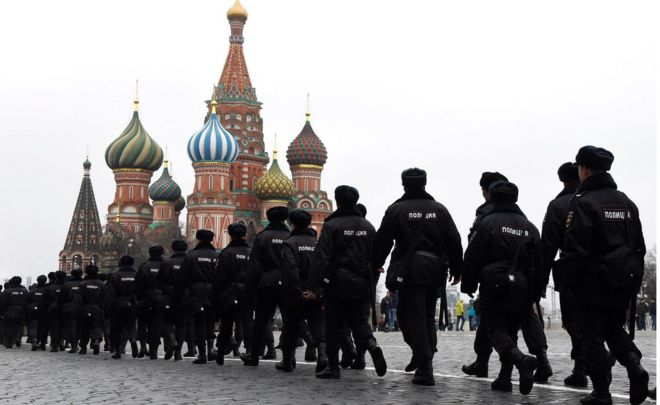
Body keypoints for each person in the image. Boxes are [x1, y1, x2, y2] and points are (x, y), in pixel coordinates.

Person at [559, 146, 649, 405]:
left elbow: (575, 248)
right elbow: (639, 246)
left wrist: (570, 282)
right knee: (613, 328)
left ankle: (601, 391)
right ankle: (634, 367)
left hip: (593, 281)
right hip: (622, 279)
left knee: (592, 335)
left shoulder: (584, 202)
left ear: (584, 169)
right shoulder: (626, 202)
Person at [373, 168, 463, 385]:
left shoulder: (396, 209)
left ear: (404, 185)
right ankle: (424, 354)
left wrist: (375, 264)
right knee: (426, 316)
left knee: (409, 317)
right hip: (435, 269)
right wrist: (457, 270)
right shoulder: (439, 209)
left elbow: (383, 240)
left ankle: (425, 366)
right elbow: (454, 240)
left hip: (410, 270)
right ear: (425, 184)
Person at [462, 172, 552, 384]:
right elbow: (540, 262)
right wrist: (537, 289)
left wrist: (469, 283)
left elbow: (473, 256)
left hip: (494, 282)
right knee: (512, 328)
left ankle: (520, 361)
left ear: (491, 195)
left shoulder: (486, 222)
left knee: (495, 328)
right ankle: (504, 377)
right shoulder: (529, 227)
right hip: (522, 285)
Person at [310, 185, 387, 380]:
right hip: (361, 282)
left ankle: (333, 367)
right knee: (359, 321)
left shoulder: (332, 225)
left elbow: (321, 257)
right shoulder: (368, 226)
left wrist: (313, 284)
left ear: (337, 202)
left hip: (337, 282)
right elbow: (377, 256)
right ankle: (371, 344)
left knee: (333, 325)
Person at [539, 162, 586, 387]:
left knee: (575, 322)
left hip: (573, 271)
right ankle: (630, 359)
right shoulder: (615, 198)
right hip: (610, 272)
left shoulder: (559, 205)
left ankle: (583, 366)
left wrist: (539, 283)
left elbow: (547, 247)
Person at [277, 209, 327, 373]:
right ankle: (323, 354)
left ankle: (287, 360)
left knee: (291, 326)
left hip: (295, 293)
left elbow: (290, 269)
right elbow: (323, 267)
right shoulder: (317, 243)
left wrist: (299, 291)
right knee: (317, 323)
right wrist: (315, 291)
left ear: (292, 223)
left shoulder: (289, 243)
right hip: (314, 293)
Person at [240, 207, 290, 366]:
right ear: (285, 218)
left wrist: (250, 288)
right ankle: (289, 358)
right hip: (287, 281)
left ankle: (253, 356)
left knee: (261, 320)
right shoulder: (290, 236)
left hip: (266, 282)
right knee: (290, 321)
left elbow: (254, 265)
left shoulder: (262, 237)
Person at [179, 229, 219, 365]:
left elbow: (182, 277)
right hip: (213, 293)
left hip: (196, 293)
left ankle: (202, 354)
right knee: (210, 322)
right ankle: (210, 349)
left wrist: (184, 293)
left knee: (198, 323)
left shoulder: (191, 255)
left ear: (198, 239)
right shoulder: (217, 255)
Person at [213, 223, 251, 366]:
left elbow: (219, 278)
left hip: (229, 293)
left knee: (226, 324)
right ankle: (250, 352)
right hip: (246, 292)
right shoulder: (251, 252)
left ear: (230, 235)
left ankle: (221, 353)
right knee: (247, 323)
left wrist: (218, 296)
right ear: (244, 235)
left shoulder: (225, 253)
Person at [136, 245, 167, 359]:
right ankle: (154, 350)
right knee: (156, 325)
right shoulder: (166, 265)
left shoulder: (144, 266)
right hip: (161, 299)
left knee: (142, 323)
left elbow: (138, 284)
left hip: (145, 298)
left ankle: (143, 346)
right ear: (162, 253)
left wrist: (140, 298)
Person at [159, 239, 188, 361]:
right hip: (185, 297)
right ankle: (178, 353)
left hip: (169, 297)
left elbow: (160, 280)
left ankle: (171, 340)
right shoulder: (189, 261)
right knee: (181, 324)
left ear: (173, 249)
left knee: (166, 322)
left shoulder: (167, 262)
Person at [107, 255, 139, 359]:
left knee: (117, 328)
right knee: (131, 325)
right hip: (132, 302)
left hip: (118, 304)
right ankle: (133, 340)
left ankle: (117, 351)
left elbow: (111, 293)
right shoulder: (137, 274)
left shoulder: (116, 275)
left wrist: (108, 306)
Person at [78, 264, 105, 355]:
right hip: (97, 308)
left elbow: (79, 298)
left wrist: (79, 308)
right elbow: (105, 297)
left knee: (84, 328)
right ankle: (96, 339)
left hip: (85, 307)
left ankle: (83, 347)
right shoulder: (101, 284)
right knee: (96, 325)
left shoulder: (83, 284)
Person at [0, 277, 28, 348]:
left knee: (9, 327)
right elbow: (28, 302)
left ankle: (9, 343)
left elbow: (3, 303)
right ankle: (18, 338)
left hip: (9, 311)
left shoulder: (7, 291)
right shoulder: (25, 291)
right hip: (22, 311)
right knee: (20, 326)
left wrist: (2, 313)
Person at [62, 268, 84, 353]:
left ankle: (74, 346)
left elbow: (62, 297)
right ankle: (81, 345)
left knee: (71, 328)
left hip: (70, 308)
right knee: (81, 327)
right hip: (82, 308)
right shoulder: (83, 283)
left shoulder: (67, 284)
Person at [46, 271, 68, 352]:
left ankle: (54, 345)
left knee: (54, 328)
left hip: (53, 309)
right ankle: (61, 342)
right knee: (63, 327)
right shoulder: (67, 286)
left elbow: (46, 299)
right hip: (64, 309)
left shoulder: (50, 287)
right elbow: (71, 297)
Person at [26, 275, 49, 351]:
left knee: (33, 327)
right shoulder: (48, 290)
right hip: (45, 312)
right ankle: (42, 343)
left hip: (34, 312)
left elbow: (27, 302)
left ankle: (34, 341)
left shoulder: (32, 291)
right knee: (43, 328)